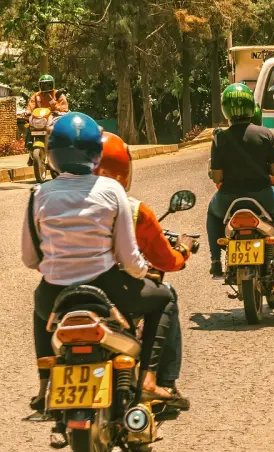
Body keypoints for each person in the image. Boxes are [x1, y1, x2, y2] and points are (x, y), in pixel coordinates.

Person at [22, 112, 176, 412]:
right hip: (108, 288)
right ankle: (149, 379)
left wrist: (59, 266)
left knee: (41, 306)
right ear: (96, 153)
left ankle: (45, 385)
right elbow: (129, 258)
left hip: (55, 292)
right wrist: (146, 273)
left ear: (51, 154)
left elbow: (31, 258)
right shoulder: (111, 190)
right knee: (165, 299)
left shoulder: (38, 194)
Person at [95, 132, 193, 408]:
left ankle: (45, 384)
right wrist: (183, 250)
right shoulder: (133, 209)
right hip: (118, 286)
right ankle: (157, 380)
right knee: (166, 296)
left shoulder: (54, 199)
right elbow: (165, 261)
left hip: (66, 288)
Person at [207, 83, 274, 279]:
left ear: (225, 109)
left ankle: (215, 262)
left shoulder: (219, 138)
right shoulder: (265, 134)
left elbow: (217, 176)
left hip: (228, 198)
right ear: (251, 106)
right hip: (264, 196)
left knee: (212, 212)